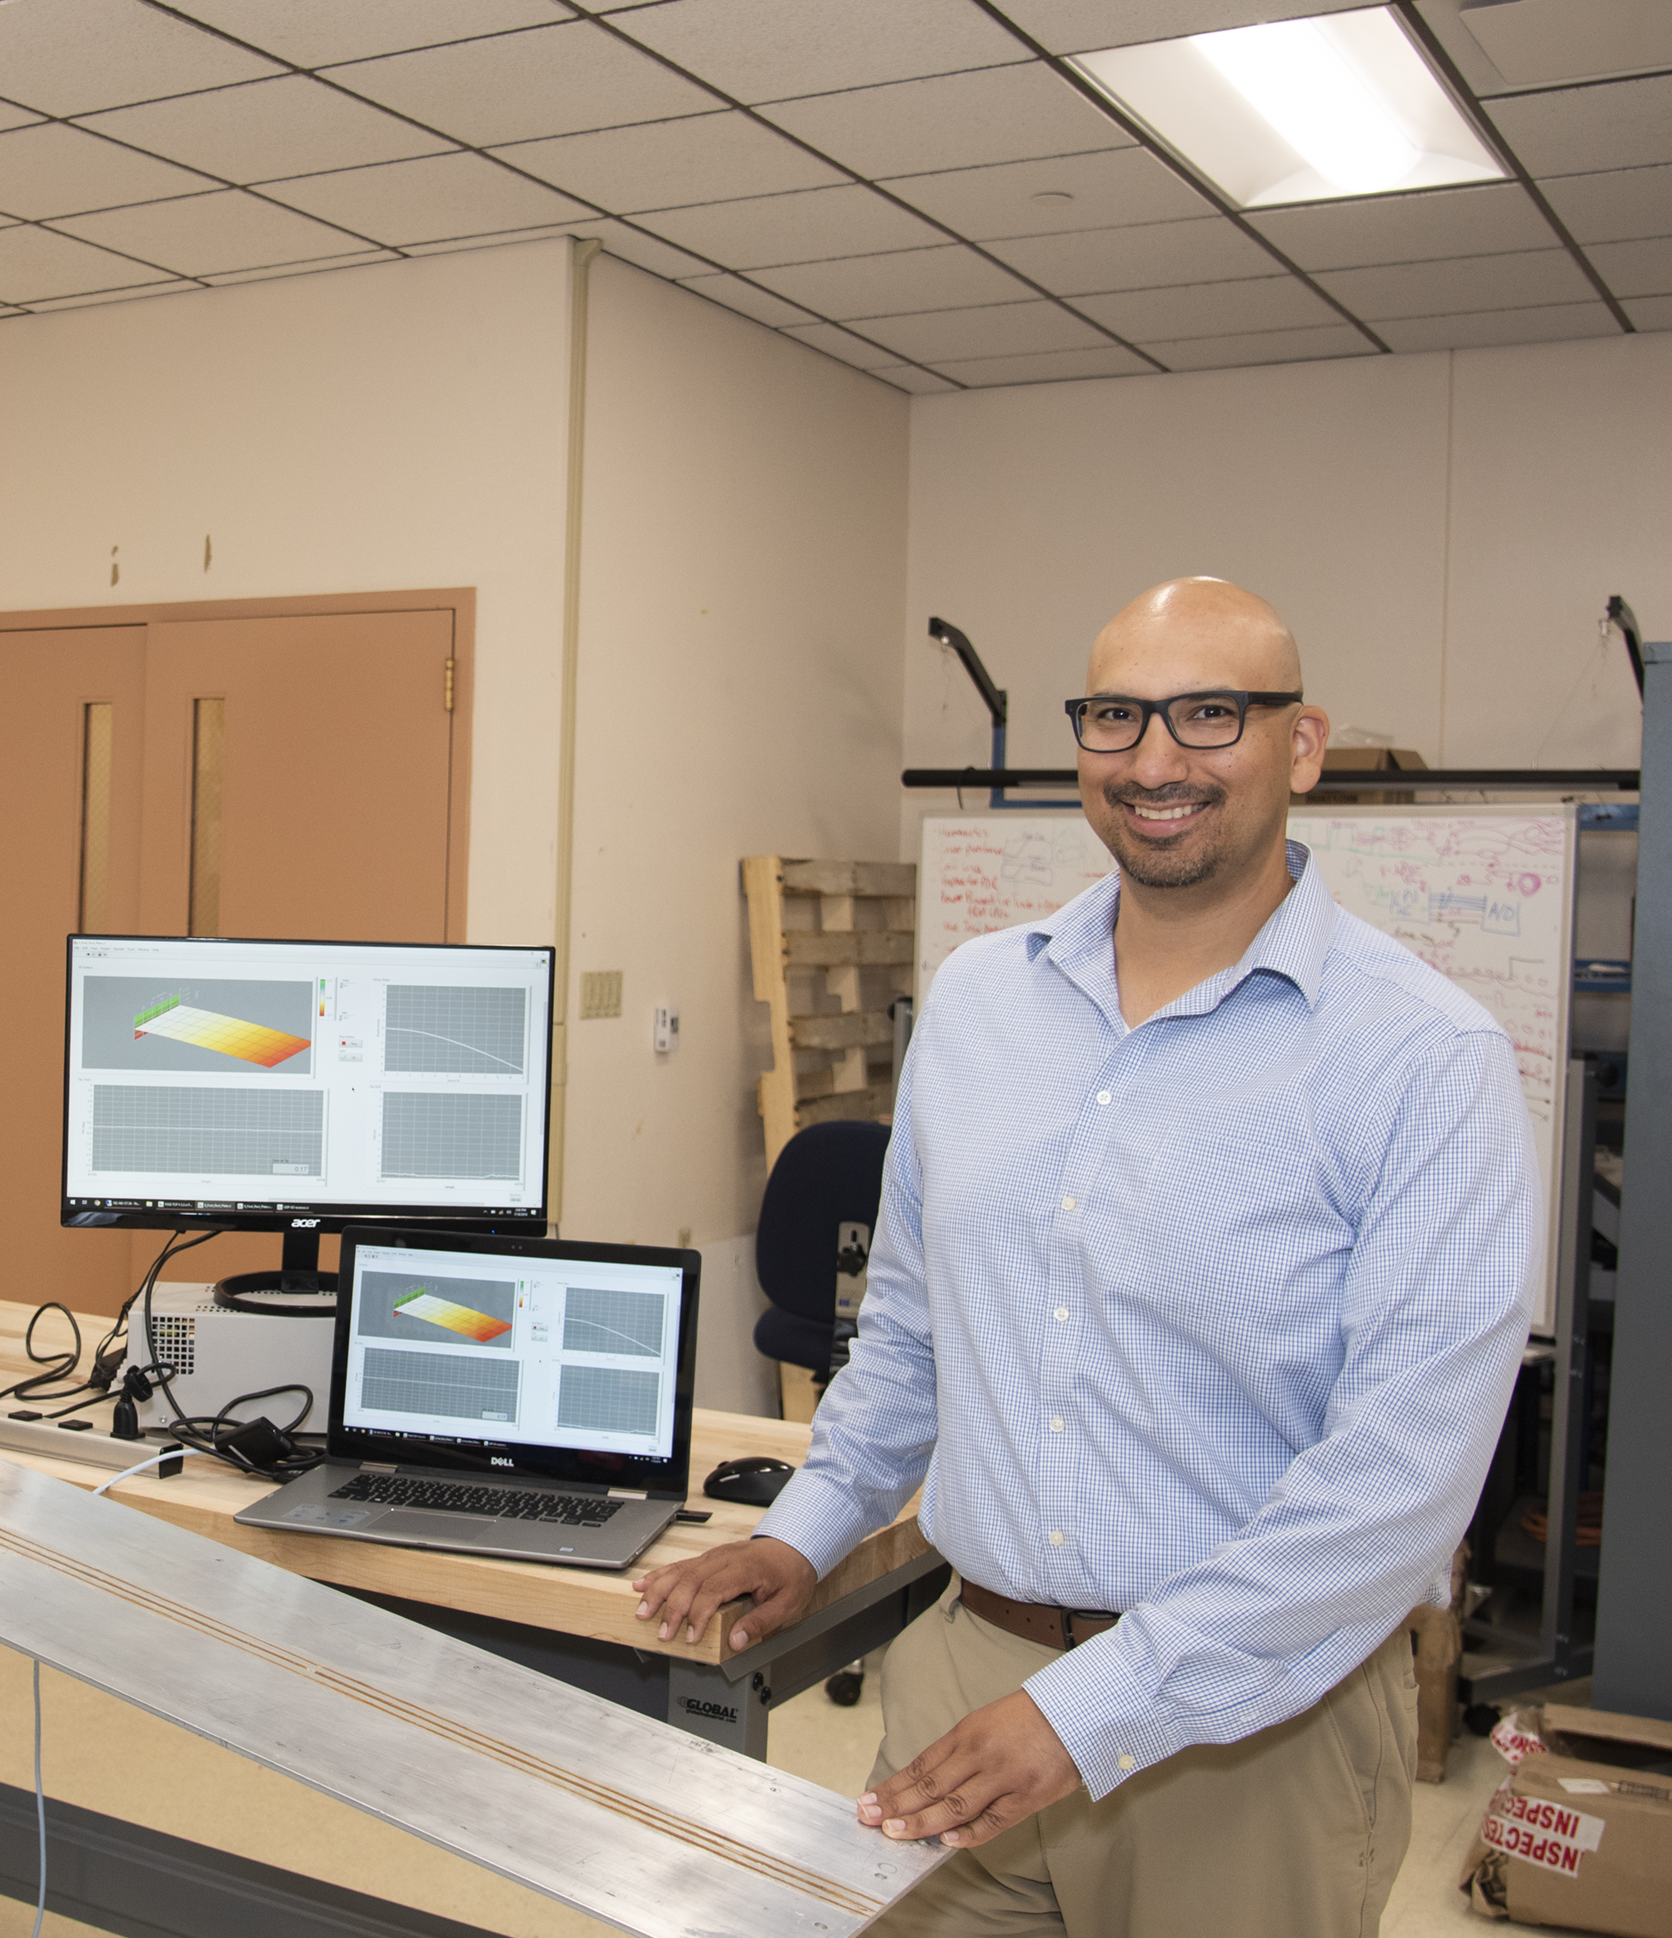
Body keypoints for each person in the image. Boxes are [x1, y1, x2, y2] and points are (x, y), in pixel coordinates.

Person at [637, 578, 1534, 1934]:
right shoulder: (982, 1000)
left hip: (1248, 1735)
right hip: (961, 1683)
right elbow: (912, 1334)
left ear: (1298, 747)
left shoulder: (1421, 1058)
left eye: (1208, 715)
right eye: (1116, 716)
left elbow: (1395, 1486)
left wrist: (1091, 1711)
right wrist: (805, 1532)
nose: (1154, 761)